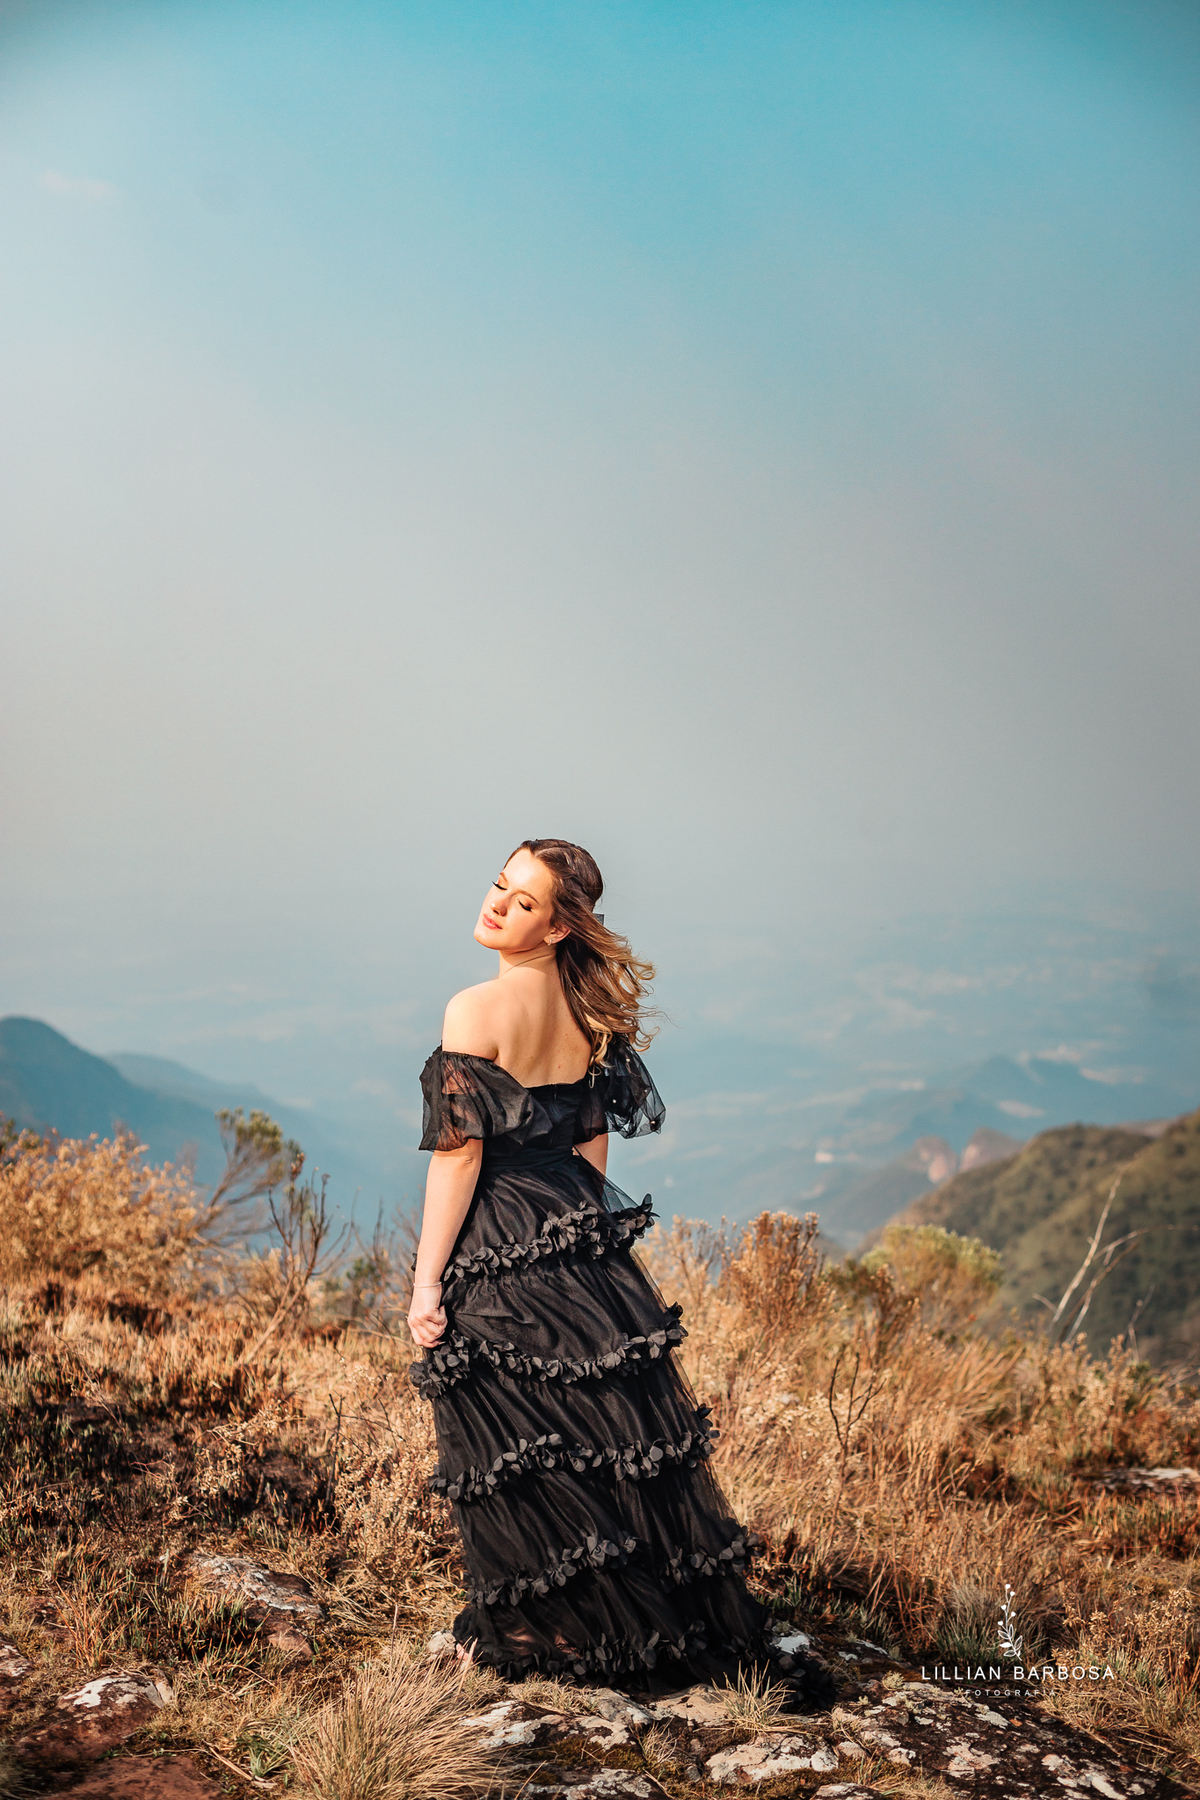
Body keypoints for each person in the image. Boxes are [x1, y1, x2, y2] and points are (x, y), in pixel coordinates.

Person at [408, 838, 830, 1700]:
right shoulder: (589, 1014)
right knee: (600, 1441)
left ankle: (549, 1630)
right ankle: (611, 1618)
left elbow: (457, 1160)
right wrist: (577, 1240)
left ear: (560, 925)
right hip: (576, 1229)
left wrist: (426, 1283)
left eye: (522, 901)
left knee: (517, 1445)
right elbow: (591, 1141)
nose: (497, 905)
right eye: (499, 886)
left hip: (499, 1236)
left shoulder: (473, 1010)